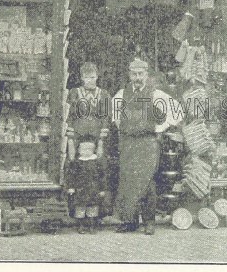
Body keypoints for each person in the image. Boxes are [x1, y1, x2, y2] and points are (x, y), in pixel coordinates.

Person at [112, 58, 184, 235]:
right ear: (129, 75)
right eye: (134, 74)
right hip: (128, 143)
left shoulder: (156, 94)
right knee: (128, 181)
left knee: (147, 183)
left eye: (140, 74)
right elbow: (114, 115)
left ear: (146, 75)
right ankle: (130, 221)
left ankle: (149, 222)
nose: (137, 77)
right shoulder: (122, 93)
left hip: (148, 144)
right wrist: (122, 126)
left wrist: (159, 127)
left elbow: (178, 112)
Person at [65, 62, 112, 216]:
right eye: (87, 77)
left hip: (97, 139)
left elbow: (105, 119)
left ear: (97, 77)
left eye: (93, 77)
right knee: (74, 167)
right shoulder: (74, 93)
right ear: (81, 78)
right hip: (78, 138)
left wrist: (101, 143)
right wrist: (70, 141)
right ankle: (76, 214)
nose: (90, 80)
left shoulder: (104, 94)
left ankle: (98, 215)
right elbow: (69, 117)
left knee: (99, 169)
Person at [66, 135, 107, 234]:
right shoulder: (77, 162)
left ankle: (92, 226)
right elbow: (71, 175)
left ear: (93, 150)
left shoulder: (96, 162)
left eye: (89, 149)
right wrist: (71, 187)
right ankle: (81, 226)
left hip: (93, 189)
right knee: (80, 208)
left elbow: (102, 176)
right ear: (79, 150)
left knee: (92, 208)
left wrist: (102, 189)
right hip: (80, 189)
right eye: (83, 149)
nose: (86, 151)